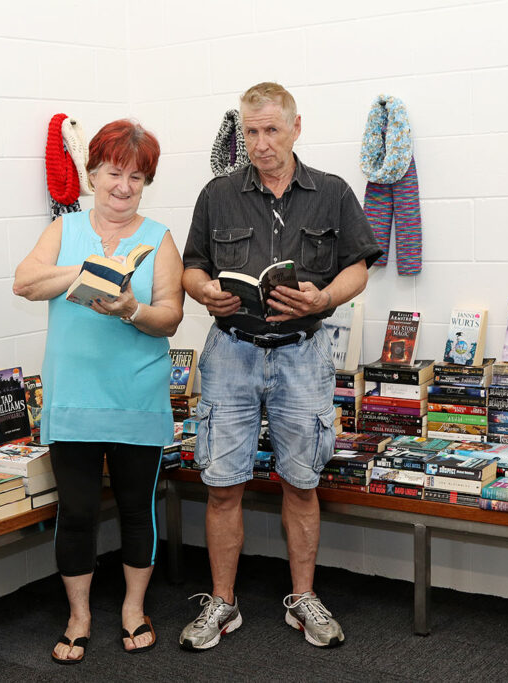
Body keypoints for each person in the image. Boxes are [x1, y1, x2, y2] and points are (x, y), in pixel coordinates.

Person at [179, 83, 382, 651]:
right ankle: (222, 603)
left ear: (297, 127)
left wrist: (323, 299)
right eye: (250, 131)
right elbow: (192, 268)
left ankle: (303, 599)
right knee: (222, 485)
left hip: (303, 352)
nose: (261, 143)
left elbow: (359, 268)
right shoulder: (217, 194)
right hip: (232, 351)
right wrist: (206, 293)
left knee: (302, 481)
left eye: (271, 130)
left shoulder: (333, 192)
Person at [14, 119, 184, 664]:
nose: (124, 186)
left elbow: (170, 318)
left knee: (138, 508)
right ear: (92, 174)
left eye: (136, 177)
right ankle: (80, 616)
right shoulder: (64, 231)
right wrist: (88, 271)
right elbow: (24, 281)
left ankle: (134, 609)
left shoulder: (159, 239)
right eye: (114, 173)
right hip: (74, 397)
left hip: (137, 397)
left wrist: (130, 308)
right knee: (79, 511)